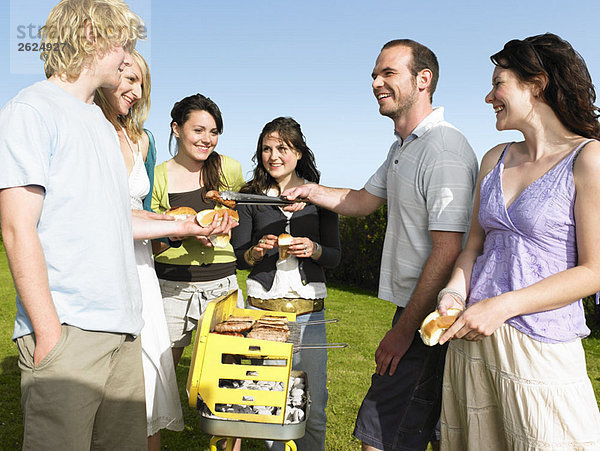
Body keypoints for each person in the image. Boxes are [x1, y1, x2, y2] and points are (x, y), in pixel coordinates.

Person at [283, 39, 478, 451]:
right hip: (413, 312)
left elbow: (448, 251)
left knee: (381, 434)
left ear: (423, 80)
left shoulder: (444, 149)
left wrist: (404, 331)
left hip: (427, 319)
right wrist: (308, 190)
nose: (375, 82)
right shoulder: (402, 148)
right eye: (375, 74)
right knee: (414, 432)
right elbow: (362, 201)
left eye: (388, 73)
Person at [437, 33, 600, 450]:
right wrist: (455, 291)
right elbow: (474, 247)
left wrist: (502, 306)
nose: (489, 96)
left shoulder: (588, 159)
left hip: (539, 349)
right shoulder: (495, 158)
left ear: (537, 84)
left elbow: (593, 272)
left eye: (498, 83)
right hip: (473, 341)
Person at [231, 117, 341, 451]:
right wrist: (257, 250)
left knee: (314, 406)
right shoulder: (250, 197)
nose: (273, 155)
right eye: (266, 148)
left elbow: (335, 256)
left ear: (298, 152)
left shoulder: (320, 197)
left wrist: (314, 249)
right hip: (264, 313)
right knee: (270, 404)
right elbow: (240, 257)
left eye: (282, 147)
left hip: (310, 315)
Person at [96, 50, 184, 451]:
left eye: (141, 84)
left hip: (141, 268)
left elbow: (145, 213)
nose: (134, 90)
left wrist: (182, 227)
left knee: (147, 379)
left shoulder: (143, 139)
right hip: (100, 265)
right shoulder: (89, 128)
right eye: (128, 78)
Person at [152, 93, 245, 367]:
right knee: (162, 373)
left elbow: (242, 213)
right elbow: (152, 244)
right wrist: (182, 232)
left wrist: (230, 222)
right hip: (172, 287)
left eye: (214, 132)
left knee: (226, 373)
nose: (207, 139)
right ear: (176, 128)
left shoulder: (228, 168)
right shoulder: (158, 176)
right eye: (199, 130)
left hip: (222, 286)